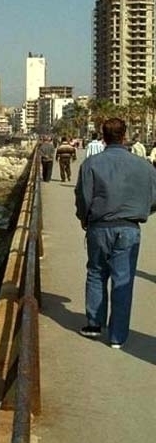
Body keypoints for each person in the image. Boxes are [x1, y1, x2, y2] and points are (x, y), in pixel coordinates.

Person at [75, 117, 156, 348]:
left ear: (103, 135)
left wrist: (84, 218)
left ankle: (94, 324)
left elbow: (83, 196)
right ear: (124, 136)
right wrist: (142, 211)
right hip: (130, 227)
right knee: (123, 279)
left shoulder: (92, 164)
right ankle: (117, 336)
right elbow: (154, 196)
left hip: (99, 226)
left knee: (96, 272)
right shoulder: (144, 165)